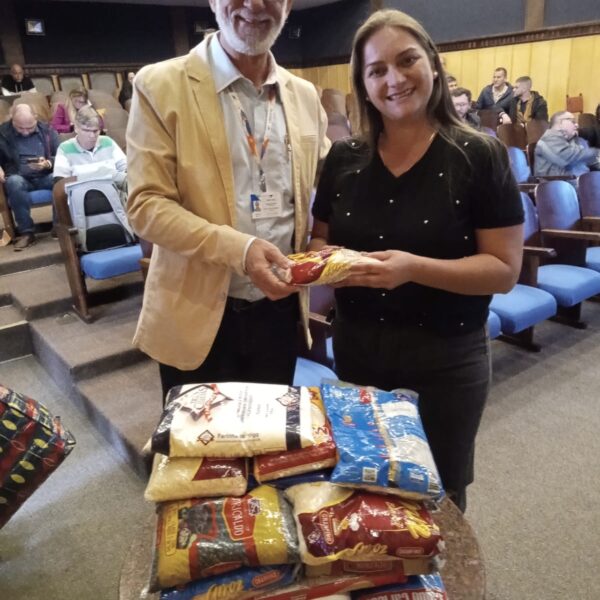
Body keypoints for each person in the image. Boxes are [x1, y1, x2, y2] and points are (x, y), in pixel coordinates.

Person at [309, 9, 524, 512]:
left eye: (406, 61)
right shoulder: (343, 158)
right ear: (363, 86)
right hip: (358, 349)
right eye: (376, 70)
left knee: (437, 499)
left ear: (432, 63)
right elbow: (319, 242)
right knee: (363, 491)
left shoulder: (480, 154)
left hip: (446, 357)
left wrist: (411, 268)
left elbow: (504, 270)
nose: (394, 79)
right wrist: (335, 261)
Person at [126, 0, 329, 401]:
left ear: (288, 5)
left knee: (268, 436)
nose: (254, 5)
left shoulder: (305, 95)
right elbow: (146, 206)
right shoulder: (160, 84)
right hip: (197, 312)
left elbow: (331, 179)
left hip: (279, 311)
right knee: (203, 438)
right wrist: (241, 250)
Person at [0, 104, 59, 250]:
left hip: (45, 175)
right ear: (12, 120)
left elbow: (62, 155)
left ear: (35, 118)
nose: (25, 132)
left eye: (30, 127)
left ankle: (59, 226)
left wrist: (48, 163)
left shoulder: (48, 131)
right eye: (20, 128)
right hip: (18, 176)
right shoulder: (2, 133)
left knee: (59, 179)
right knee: (14, 182)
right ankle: (27, 232)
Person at [53, 106, 127, 185]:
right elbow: (60, 184)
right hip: (82, 191)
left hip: (114, 190)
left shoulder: (108, 142)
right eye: (86, 130)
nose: (92, 136)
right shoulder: (64, 148)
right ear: (76, 128)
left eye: (95, 131)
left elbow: (127, 170)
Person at [534, 111, 600, 178]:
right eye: (573, 121)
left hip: (582, 181)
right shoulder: (548, 139)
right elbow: (568, 158)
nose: (577, 125)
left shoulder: (576, 140)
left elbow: (592, 161)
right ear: (560, 123)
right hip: (558, 182)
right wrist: (596, 152)